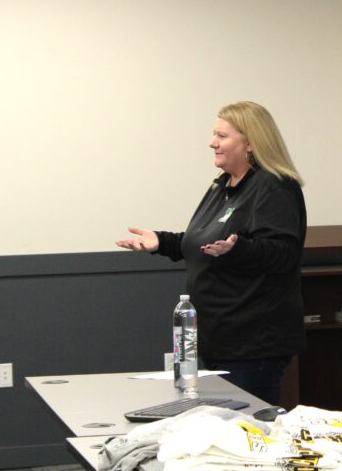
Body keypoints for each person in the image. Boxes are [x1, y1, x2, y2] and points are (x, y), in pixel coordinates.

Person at [117, 101, 306, 406]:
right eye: (214, 135)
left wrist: (239, 248)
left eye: (221, 136)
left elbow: (283, 253)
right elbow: (202, 244)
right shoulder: (223, 186)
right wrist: (161, 242)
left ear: (250, 143)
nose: (212, 143)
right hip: (217, 338)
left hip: (253, 343)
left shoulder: (274, 186)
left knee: (249, 434)